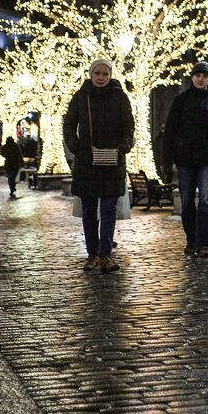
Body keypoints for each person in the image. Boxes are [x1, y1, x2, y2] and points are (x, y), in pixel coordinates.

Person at [63, 58, 135, 273]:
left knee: (108, 210)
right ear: (91, 75)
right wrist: (76, 146)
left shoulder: (120, 97)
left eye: (105, 74)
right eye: (97, 73)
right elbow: (69, 124)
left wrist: (123, 147)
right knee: (89, 211)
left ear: (110, 75)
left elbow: (129, 126)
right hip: (87, 161)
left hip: (113, 160)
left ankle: (105, 255)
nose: (101, 78)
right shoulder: (81, 96)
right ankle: (92, 254)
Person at [162, 62, 208, 257]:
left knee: (206, 201)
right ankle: (191, 240)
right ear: (192, 77)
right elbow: (170, 131)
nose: (201, 79)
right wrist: (166, 161)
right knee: (186, 202)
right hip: (185, 159)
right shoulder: (181, 101)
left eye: (204, 76)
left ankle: (203, 244)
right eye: (198, 75)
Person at [1, 135, 23, 199]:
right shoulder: (15, 146)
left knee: (10, 177)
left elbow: (1, 153)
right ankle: (13, 187)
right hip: (15, 164)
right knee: (13, 177)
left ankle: (12, 188)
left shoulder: (5, 146)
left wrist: (6, 156)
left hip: (9, 164)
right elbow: (19, 154)